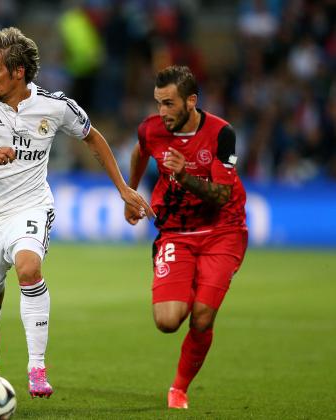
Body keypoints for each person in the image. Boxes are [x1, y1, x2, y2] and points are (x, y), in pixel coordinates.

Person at [0, 27, 153, 398]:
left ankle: (37, 366)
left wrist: (123, 189)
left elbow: (92, 136)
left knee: (29, 268)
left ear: (18, 71)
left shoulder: (54, 106)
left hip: (30, 205)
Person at [127, 65, 248, 409]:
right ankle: (191, 281)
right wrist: (130, 192)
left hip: (222, 231)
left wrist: (184, 174)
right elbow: (140, 151)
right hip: (177, 231)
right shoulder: (150, 130)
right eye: (158, 103)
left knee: (203, 316)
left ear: (191, 101)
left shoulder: (223, 134)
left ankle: (178, 389)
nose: (162, 112)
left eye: (169, 104)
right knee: (167, 322)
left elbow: (223, 196)